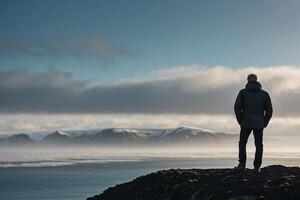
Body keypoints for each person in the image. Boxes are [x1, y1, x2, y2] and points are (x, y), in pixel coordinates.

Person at [234, 74, 273, 172]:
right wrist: (265, 121)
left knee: (242, 143)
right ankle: (257, 167)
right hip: (259, 123)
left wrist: (240, 120)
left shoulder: (243, 93)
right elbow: (269, 110)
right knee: (259, 145)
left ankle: (242, 165)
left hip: (246, 121)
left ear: (248, 81)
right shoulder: (264, 94)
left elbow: (237, 107)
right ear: (256, 80)